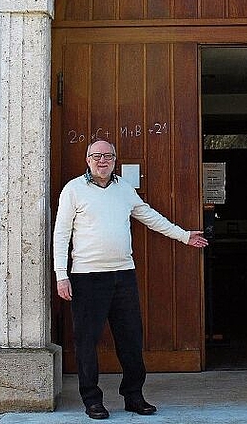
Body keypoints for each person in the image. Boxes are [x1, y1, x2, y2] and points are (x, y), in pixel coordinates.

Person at [53, 139, 208, 420]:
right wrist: (61, 276)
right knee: (86, 342)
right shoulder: (73, 190)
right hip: (87, 278)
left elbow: (149, 216)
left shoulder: (124, 189)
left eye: (108, 156)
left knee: (130, 340)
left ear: (115, 160)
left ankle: (134, 397)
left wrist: (184, 235)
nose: (103, 161)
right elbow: (61, 234)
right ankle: (92, 400)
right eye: (96, 156)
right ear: (87, 159)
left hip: (123, 276)